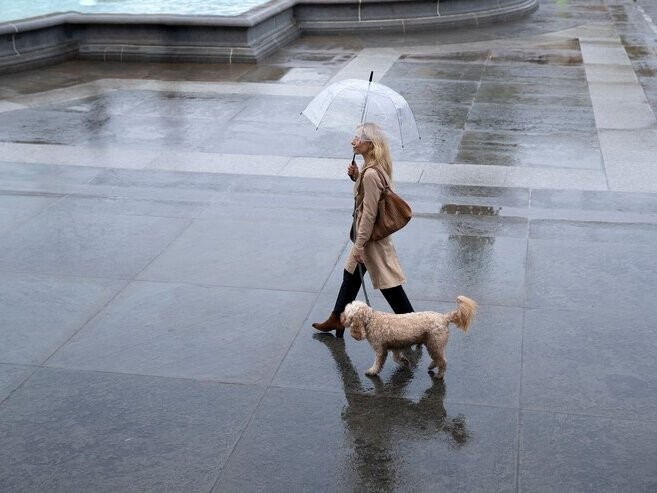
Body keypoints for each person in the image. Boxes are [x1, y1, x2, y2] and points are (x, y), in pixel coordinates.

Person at [312, 122, 414, 337]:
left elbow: (369, 213)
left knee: (389, 285)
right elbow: (372, 196)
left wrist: (359, 245)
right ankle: (337, 318)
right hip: (367, 236)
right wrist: (355, 177)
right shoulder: (372, 170)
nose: (353, 141)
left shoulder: (370, 174)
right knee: (350, 274)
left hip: (370, 239)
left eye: (358, 138)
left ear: (370, 144)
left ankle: (413, 325)